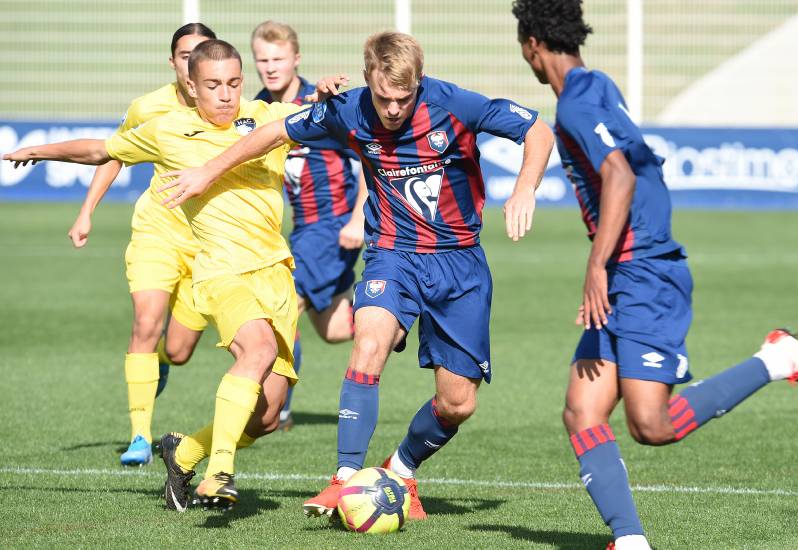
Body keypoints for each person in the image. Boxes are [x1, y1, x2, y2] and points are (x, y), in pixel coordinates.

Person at [153, 31, 555, 520]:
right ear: (368, 80)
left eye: (403, 99)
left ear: (419, 82)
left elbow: (537, 130)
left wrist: (525, 189)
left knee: (457, 404)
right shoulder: (349, 110)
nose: (392, 109)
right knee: (367, 344)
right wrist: (209, 170)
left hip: (459, 263)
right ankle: (343, 479)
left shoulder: (454, 104)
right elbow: (275, 132)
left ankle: (402, 468)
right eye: (384, 97)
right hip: (392, 254)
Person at [510, 2, 798, 549]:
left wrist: (597, 265)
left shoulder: (575, 104)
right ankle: (630, 540)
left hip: (640, 272)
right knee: (582, 410)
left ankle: (777, 359)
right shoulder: (596, 85)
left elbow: (619, 175)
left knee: (652, 425)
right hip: (629, 271)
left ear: (530, 44)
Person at [4, 39, 308, 511]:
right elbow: (101, 150)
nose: (226, 95)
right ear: (191, 84)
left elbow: (328, 118)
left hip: (276, 274)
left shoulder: (266, 117)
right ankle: (219, 471)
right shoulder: (166, 129)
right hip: (222, 271)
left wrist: (329, 95)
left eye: (233, 83)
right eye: (213, 85)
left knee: (265, 417)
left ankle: (182, 453)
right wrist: (41, 150)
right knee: (258, 349)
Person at [65, 23, 216, 467]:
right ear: (173, 62)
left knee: (180, 349)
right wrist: (86, 210)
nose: (191, 62)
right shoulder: (147, 107)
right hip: (157, 233)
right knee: (145, 324)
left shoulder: (233, 108)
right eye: (184, 55)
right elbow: (112, 153)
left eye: (200, 53)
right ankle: (139, 436)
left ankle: (164, 362)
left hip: (207, 244)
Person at [250, 20, 366, 430]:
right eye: (262, 59)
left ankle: (277, 407)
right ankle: (395, 315)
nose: (270, 66)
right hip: (302, 229)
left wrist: (358, 218)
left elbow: (370, 153)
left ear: (296, 59)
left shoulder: (323, 103)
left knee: (280, 308)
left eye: (278, 59)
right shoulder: (261, 105)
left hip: (332, 226)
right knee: (335, 328)